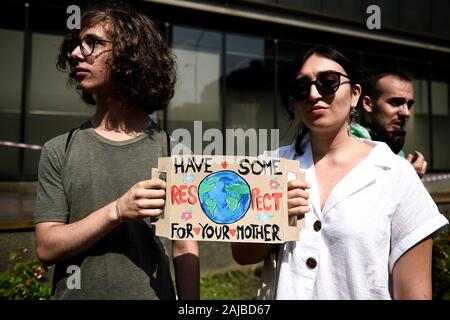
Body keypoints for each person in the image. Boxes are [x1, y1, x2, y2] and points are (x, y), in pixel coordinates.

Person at [231, 46, 448, 299]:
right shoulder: (270, 165)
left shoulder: (395, 173)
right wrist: (271, 217)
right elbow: (243, 255)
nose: (313, 94)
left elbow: (414, 292)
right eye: (301, 87)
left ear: (355, 94)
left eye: (328, 82)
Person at [34, 2, 199, 300]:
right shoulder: (59, 150)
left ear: (130, 54)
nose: (75, 54)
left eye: (92, 43)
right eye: (75, 45)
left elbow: (185, 247)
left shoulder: (174, 152)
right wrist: (117, 211)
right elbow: (46, 248)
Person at [353, 71, 427, 178]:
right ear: (368, 104)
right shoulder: (345, 146)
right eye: (395, 103)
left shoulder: (398, 153)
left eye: (409, 105)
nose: (406, 113)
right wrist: (406, 176)